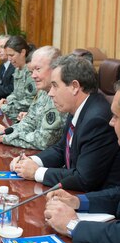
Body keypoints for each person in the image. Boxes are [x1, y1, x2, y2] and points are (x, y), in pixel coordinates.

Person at [10, 55, 120, 192]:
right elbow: (62, 148)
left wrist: (36, 173)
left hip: (93, 201)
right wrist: (31, 161)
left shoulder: (97, 120)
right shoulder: (77, 107)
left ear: (74, 87)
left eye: (55, 86)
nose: (50, 93)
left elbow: (84, 179)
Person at [43, 80, 120, 243]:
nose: (111, 123)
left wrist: (72, 225)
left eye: (116, 116)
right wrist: (78, 201)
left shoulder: (95, 116)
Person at [0, 46, 66, 150]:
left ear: (55, 69)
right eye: (32, 71)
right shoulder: (42, 92)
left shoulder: (60, 96)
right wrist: (4, 132)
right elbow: (28, 123)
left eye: (38, 69)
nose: (33, 76)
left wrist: (5, 137)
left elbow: (44, 141)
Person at [0, 35, 37, 122]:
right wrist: (7, 100)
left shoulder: (30, 72)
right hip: (12, 116)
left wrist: (4, 106)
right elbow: (15, 93)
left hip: (24, 120)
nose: (9, 59)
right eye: (8, 55)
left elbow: (29, 102)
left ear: (23, 52)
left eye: (12, 55)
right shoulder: (17, 69)